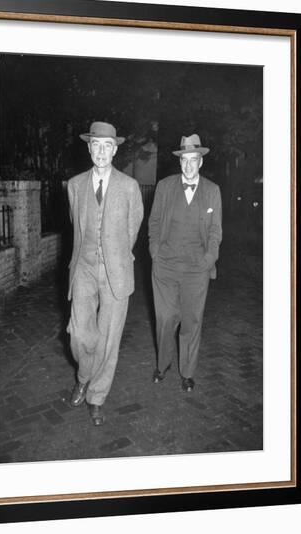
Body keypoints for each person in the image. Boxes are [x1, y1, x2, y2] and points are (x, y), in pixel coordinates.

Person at [66, 121, 144, 425]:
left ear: (115, 149)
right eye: (96, 145)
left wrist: (116, 257)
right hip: (83, 268)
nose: (101, 151)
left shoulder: (129, 187)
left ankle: (96, 395)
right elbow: (76, 226)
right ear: (89, 148)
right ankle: (84, 374)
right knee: (80, 335)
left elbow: (131, 230)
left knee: (109, 339)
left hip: (117, 271)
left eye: (107, 146)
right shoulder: (75, 185)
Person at [149, 134, 222, 392]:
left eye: (194, 160)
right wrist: (155, 251)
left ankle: (187, 372)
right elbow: (155, 222)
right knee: (166, 318)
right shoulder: (165, 187)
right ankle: (163, 363)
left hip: (196, 270)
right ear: (179, 162)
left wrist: (208, 259)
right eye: (184, 161)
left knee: (191, 321)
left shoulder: (212, 191)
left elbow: (215, 232)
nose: (189, 166)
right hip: (165, 267)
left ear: (200, 162)